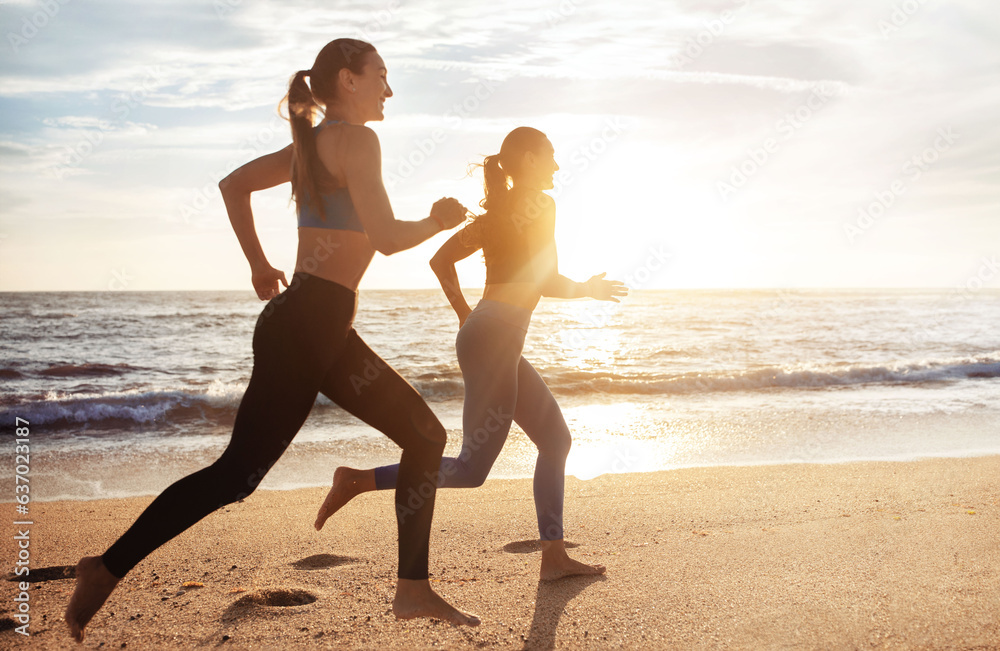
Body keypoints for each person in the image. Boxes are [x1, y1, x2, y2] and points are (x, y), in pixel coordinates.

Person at [64, 38, 481, 642]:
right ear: (348, 79)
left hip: (316, 323)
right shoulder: (359, 141)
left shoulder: (308, 146)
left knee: (423, 435)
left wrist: (259, 266)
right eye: (382, 77)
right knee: (237, 475)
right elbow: (387, 237)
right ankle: (104, 568)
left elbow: (232, 185)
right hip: (308, 324)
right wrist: (438, 223)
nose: (389, 90)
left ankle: (413, 590)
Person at [314, 126, 627, 581]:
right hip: (495, 336)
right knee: (470, 469)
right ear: (527, 159)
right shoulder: (542, 205)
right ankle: (359, 480)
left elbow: (439, 262)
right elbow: (547, 280)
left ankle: (554, 557)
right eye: (550, 156)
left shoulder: (494, 215)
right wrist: (589, 290)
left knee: (555, 440)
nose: (557, 166)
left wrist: (466, 315)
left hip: (490, 332)